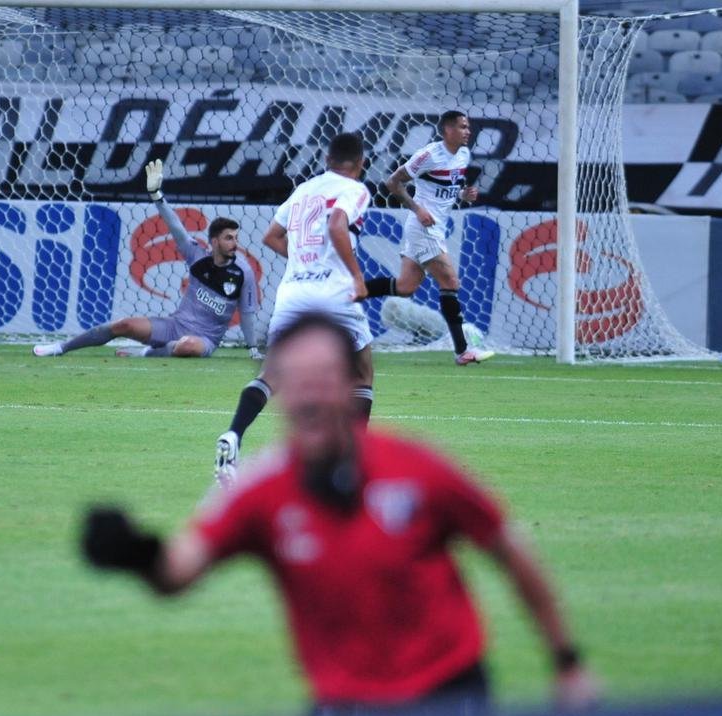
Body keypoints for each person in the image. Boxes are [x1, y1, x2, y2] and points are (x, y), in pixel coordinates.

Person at [81, 312, 598, 716]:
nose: (308, 394)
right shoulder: (262, 490)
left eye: (322, 379)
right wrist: (136, 553)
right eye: (295, 381)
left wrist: (567, 663)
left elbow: (511, 551)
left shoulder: (415, 466)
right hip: (344, 714)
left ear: (349, 387)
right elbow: (178, 572)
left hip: (449, 702)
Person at [214, 132, 375, 485]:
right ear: (360, 163)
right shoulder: (357, 189)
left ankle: (234, 435)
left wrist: (305, 261)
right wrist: (357, 276)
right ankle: (353, 458)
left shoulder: (304, 189)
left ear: (327, 160)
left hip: (293, 292)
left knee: (271, 376)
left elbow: (271, 236)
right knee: (362, 372)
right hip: (334, 292)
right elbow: (336, 225)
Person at [32, 159, 260, 359]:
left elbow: (248, 313)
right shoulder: (197, 257)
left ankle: (147, 352)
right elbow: (176, 226)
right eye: (229, 238)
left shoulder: (243, 272)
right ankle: (61, 347)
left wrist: (252, 348)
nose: (235, 243)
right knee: (124, 325)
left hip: (205, 339)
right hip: (174, 326)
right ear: (214, 241)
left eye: (235, 238)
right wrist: (156, 195)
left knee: (188, 346)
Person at [364, 110, 493, 366]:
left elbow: (444, 189)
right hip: (422, 227)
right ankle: (463, 350)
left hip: (435, 227)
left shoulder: (464, 155)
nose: (468, 131)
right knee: (450, 281)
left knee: (405, 286)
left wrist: (462, 196)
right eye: (462, 126)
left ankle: (348, 293)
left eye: (468, 127)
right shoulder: (429, 154)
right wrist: (418, 208)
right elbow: (392, 182)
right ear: (446, 130)